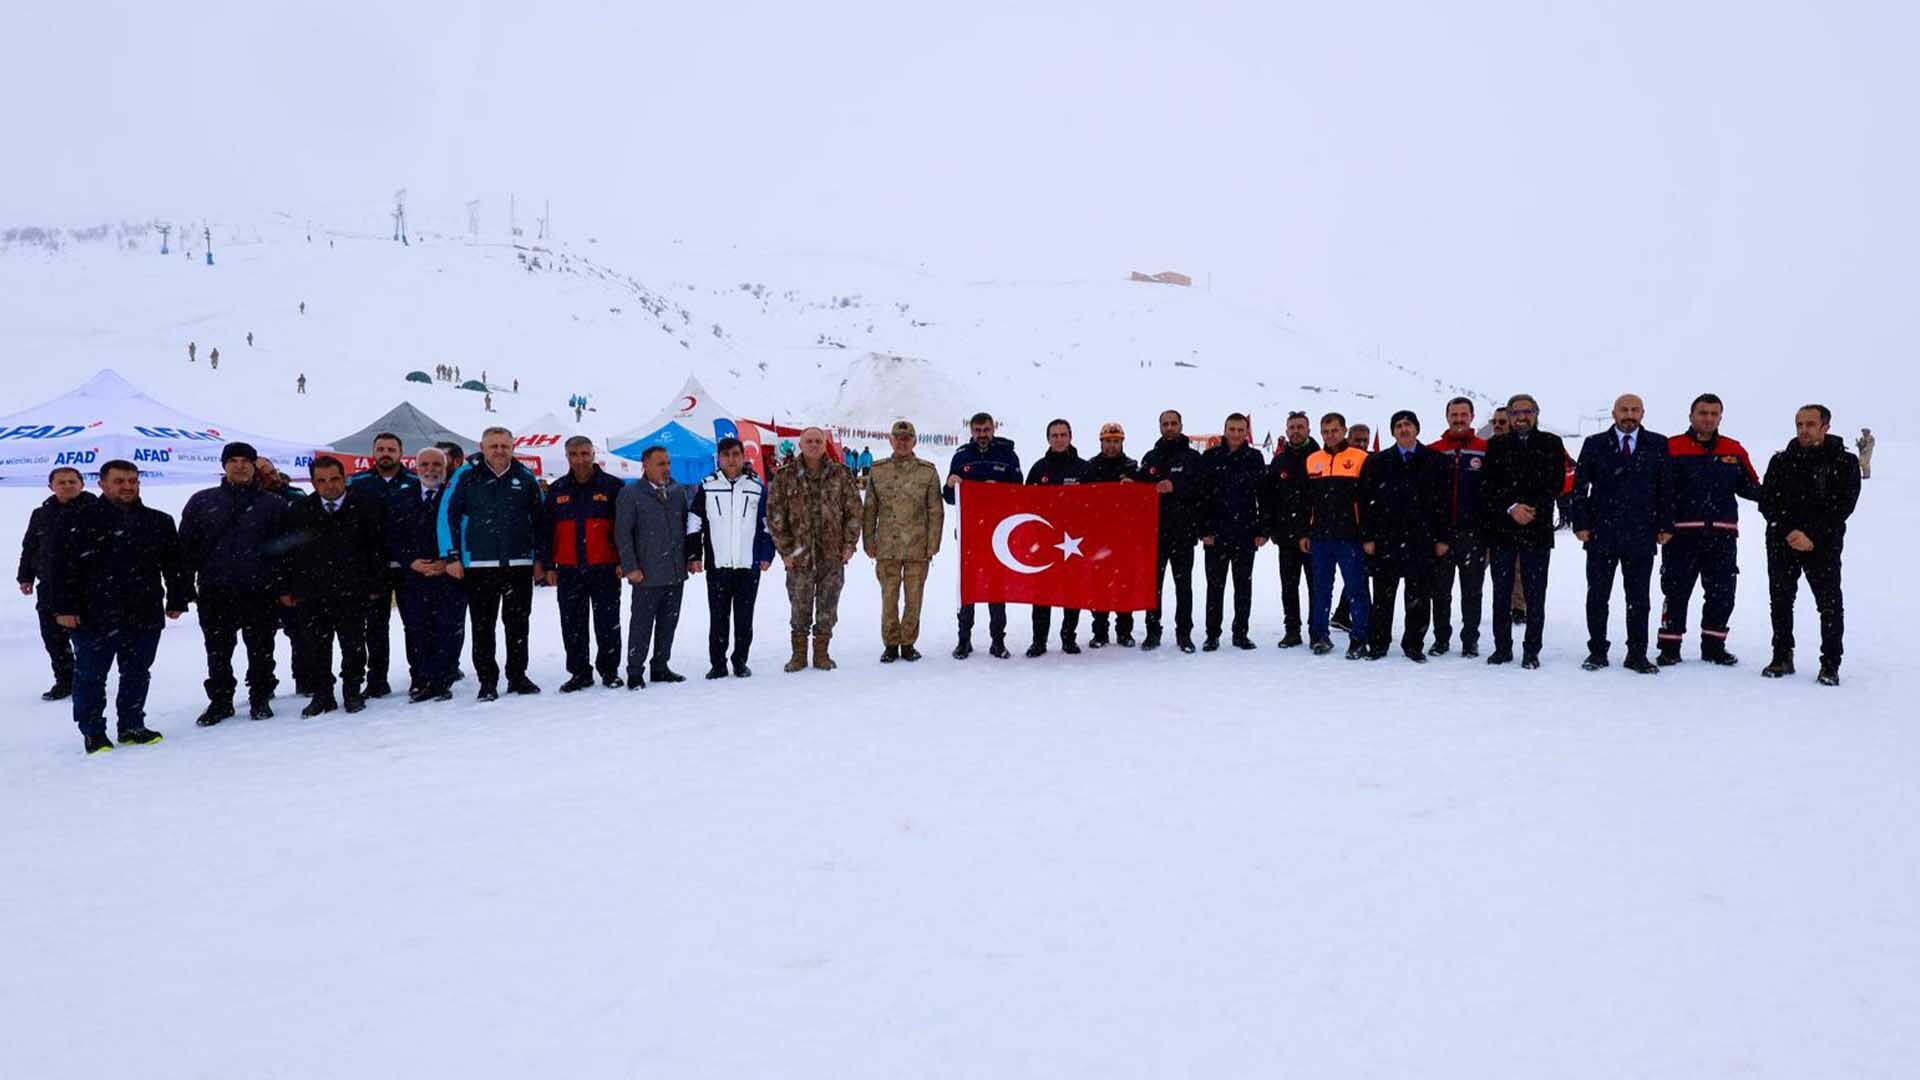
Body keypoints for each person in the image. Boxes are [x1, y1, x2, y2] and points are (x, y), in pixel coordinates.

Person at [46, 460, 191, 754]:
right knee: (90, 676)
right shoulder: (77, 519)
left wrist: (178, 598)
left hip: (143, 612)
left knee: (137, 672)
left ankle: (131, 725)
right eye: (119, 481)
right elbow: (58, 568)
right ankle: (93, 731)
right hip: (92, 615)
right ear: (101, 484)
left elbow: (175, 565)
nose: (127, 486)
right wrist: (63, 608)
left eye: (132, 481)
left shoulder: (158, 521)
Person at [178, 442, 291, 724]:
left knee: (262, 647)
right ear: (224, 465)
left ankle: (260, 696)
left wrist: (285, 586)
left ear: (254, 465)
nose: (239, 466)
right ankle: (221, 700)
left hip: (259, 590)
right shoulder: (202, 501)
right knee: (217, 650)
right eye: (233, 460)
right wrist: (182, 589)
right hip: (216, 589)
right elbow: (186, 549)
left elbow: (285, 552)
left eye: (245, 460)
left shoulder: (273, 504)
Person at [439, 426, 548, 700]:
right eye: (494, 446)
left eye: (504, 446)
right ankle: (487, 681)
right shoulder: (466, 475)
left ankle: (517, 676)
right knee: (483, 625)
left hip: (518, 563)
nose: (499, 451)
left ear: (513, 447)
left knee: (518, 624)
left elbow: (541, 521)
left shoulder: (525, 477)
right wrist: (451, 555)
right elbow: (446, 515)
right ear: (482, 447)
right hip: (479, 564)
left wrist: (539, 558)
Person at [1569, 394, 1672, 673]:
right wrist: (1580, 523)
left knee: (1638, 599)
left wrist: (1665, 525)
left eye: (1634, 410)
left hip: (1641, 533)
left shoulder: (1658, 444)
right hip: (1601, 534)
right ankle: (1597, 651)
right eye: (1624, 409)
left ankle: (1637, 654)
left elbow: (1666, 488)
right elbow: (1579, 488)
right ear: (1613, 413)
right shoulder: (1595, 444)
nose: (1629, 414)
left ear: (1643, 413)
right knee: (1598, 596)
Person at [1657, 394, 1761, 666]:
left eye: (1714, 414)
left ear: (1720, 418)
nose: (1708, 418)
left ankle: (1714, 646)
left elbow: (1751, 487)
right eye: (1703, 413)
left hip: (1722, 536)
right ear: (1691, 415)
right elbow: (1657, 490)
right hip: (1680, 535)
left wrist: (1779, 495)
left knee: (1722, 592)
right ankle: (1669, 647)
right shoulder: (1671, 447)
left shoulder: (1733, 449)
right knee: (1676, 591)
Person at [1760, 404, 1861, 685]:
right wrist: (1789, 530)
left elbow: (1843, 505)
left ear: (1825, 427)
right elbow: (1768, 501)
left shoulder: (1844, 462)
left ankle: (1830, 664)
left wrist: (1812, 536)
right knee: (1781, 601)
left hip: (1824, 545)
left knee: (1829, 605)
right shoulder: (1781, 461)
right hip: (1782, 543)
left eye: (1810, 424)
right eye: (1799, 424)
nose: (1803, 430)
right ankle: (1782, 656)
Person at [278, 458, 387, 716]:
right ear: (313, 482)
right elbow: (286, 554)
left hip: (353, 591)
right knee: (316, 647)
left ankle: (352, 691)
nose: (329, 486)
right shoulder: (299, 511)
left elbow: (378, 550)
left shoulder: (365, 507)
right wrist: (285, 587)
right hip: (312, 593)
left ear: (345, 477)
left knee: (353, 645)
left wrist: (376, 583)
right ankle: (323, 694)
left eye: (334, 479)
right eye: (322, 481)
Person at [1480, 393, 1568, 668]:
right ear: (1509, 415)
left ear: (1536, 414)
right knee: (1501, 593)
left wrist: (1530, 508)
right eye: (1516, 412)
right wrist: (1511, 507)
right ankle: (1502, 648)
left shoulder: (1552, 444)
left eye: (1527, 412)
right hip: (1503, 531)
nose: (1521, 417)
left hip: (1537, 529)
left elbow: (1556, 482)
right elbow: (1489, 485)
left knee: (1534, 594)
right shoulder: (1495, 446)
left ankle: (1532, 650)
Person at [767, 427, 862, 672]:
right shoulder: (785, 476)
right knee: (799, 605)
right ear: (800, 444)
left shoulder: (841, 474)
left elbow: (854, 511)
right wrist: (786, 551)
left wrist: (849, 544)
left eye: (818, 441)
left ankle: (822, 652)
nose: (813, 445)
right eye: (809, 441)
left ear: (824, 444)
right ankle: (798, 655)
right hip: (799, 556)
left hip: (832, 554)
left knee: (828, 606)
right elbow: (775, 516)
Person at [1360, 410, 1448, 662]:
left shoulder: (1434, 460)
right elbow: (1366, 502)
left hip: (1422, 540)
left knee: (1419, 598)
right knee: (1382, 598)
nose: (1403, 429)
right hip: (1386, 539)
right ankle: (1378, 643)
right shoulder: (1378, 461)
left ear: (1417, 429)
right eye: (1398, 425)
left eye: (1408, 425)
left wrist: (1442, 538)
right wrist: (1367, 537)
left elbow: (1443, 503)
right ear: (1393, 431)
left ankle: (1413, 644)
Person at [614, 446, 700, 687]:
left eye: (668, 463)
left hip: (674, 571)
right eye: (661, 463)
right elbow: (623, 534)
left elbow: (687, 527)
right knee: (641, 624)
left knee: (668, 623)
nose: (666, 468)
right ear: (646, 465)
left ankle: (660, 666)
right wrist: (630, 567)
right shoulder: (631, 494)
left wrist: (690, 557)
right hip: (646, 574)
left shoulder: (677, 491)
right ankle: (634, 671)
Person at [545, 436, 626, 691]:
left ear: (593, 454)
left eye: (584, 453)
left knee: (607, 622)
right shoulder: (557, 489)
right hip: (569, 569)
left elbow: (624, 529)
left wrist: (624, 560)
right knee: (572, 623)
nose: (580, 459)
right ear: (567, 457)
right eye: (574, 454)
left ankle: (609, 670)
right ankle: (579, 672)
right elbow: (546, 531)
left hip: (605, 567)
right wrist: (548, 565)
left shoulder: (613, 487)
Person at [862, 420, 944, 663]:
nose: (902, 442)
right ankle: (890, 642)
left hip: (918, 547)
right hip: (887, 546)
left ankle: (908, 642)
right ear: (891, 440)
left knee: (914, 597)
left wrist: (933, 543)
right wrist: (868, 540)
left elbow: (935, 510)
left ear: (914, 441)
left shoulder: (927, 471)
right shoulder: (878, 471)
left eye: (907, 438)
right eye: (898, 438)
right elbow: (870, 510)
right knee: (889, 597)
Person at [693, 437, 774, 678]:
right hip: (718, 566)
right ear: (719, 458)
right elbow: (694, 522)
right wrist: (694, 554)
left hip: (748, 565)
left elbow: (767, 524)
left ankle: (740, 661)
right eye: (726, 455)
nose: (731, 459)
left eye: (736, 454)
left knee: (744, 618)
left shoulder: (756, 487)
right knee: (718, 617)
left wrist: (766, 554)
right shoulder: (707, 486)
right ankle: (717, 664)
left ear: (743, 456)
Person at [347, 433, 421, 698]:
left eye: (391, 449)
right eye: (381, 449)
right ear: (373, 453)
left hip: (409, 565)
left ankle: (419, 676)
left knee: (414, 623)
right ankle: (377, 679)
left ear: (401, 453)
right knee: (375, 626)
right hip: (373, 566)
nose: (386, 453)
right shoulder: (357, 482)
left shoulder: (415, 481)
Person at [945, 412, 1022, 658]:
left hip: (1000, 535)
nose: (982, 435)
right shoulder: (961, 456)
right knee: (968, 586)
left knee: (996, 589)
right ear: (971, 431)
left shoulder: (1008, 456)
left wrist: (998, 490)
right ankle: (963, 639)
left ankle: (998, 641)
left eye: (986, 430)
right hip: (970, 534)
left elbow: (1020, 494)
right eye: (977, 430)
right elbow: (948, 498)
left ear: (993, 429)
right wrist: (950, 483)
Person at [17, 466, 97, 700]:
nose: (67, 486)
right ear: (51, 486)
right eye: (61, 482)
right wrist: (25, 576)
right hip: (49, 587)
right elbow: (30, 547)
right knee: (53, 637)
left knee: (87, 638)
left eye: (72, 481)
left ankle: (89, 679)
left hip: (87, 588)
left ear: (82, 484)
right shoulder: (41, 514)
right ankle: (65, 680)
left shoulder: (96, 511)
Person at [1300, 413, 1371, 658]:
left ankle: (1360, 638)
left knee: (1356, 589)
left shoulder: (1360, 458)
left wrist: (1367, 534)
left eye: (1334, 430)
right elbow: (1307, 502)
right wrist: (1306, 532)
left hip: (1350, 537)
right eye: (1325, 431)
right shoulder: (1313, 460)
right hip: (1320, 537)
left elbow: (1368, 501)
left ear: (1344, 431)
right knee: (1321, 589)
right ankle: (1319, 636)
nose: (1330, 435)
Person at [396, 448, 464, 702]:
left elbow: (463, 531)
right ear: (415, 467)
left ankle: (443, 679)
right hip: (414, 577)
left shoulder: (455, 497)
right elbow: (392, 536)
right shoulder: (401, 498)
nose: (431, 469)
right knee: (416, 629)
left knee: (449, 627)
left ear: (446, 467)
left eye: (437, 464)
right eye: (424, 464)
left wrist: (447, 559)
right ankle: (421, 678)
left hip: (449, 574)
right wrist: (411, 561)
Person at [1197, 412, 1267, 651]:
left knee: (1243, 587)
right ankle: (1212, 634)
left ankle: (1240, 633)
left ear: (1246, 432)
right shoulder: (1210, 457)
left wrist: (1262, 529)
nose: (1236, 434)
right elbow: (1202, 497)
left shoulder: (1254, 458)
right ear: (1225, 430)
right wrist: (1204, 530)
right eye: (1232, 429)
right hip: (1216, 534)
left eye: (1240, 430)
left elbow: (1263, 496)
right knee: (1215, 587)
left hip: (1245, 533)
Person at [1428, 397, 1489, 657]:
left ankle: (1470, 640)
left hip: (1473, 534)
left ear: (1472, 417)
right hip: (1441, 534)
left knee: (1472, 590)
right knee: (1440, 591)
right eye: (1454, 415)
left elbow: (1492, 492)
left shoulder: (1485, 449)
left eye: (1464, 414)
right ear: (1447, 417)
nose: (1459, 419)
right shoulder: (1433, 450)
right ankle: (1441, 638)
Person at [1139, 409, 1202, 652]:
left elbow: (1200, 489)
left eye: (1173, 423)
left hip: (1184, 533)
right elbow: (1140, 487)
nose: (1169, 427)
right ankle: (1153, 632)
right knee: (1153, 586)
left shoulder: (1192, 458)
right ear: (1159, 427)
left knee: (1183, 586)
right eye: (1165, 424)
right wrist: (1129, 485)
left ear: (1181, 425)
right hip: (1155, 535)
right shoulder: (1151, 457)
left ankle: (1184, 633)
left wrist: (1175, 486)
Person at [1025, 419, 1089, 657]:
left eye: (1063, 434)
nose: (1059, 439)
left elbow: (1098, 504)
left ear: (1070, 437)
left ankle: (1068, 638)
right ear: (1048, 438)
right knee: (1041, 593)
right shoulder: (1038, 469)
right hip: (1044, 542)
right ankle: (1039, 641)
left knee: (1072, 591)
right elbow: (1024, 504)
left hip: (1074, 543)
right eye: (1054, 435)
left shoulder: (1084, 468)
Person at [1082, 422, 1141, 647]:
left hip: (1125, 537)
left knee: (1124, 584)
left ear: (1122, 442)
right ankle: (1100, 632)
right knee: (1099, 585)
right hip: (1098, 537)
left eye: (1116, 441)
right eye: (1108, 441)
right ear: (1101, 442)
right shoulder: (1090, 467)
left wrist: (1135, 486)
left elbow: (1143, 497)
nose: (1112, 445)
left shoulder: (1133, 466)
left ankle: (1124, 631)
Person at [1264, 411, 1319, 647]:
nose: (1296, 431)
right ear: (1286, 431)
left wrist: (1312, 530)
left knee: (1317, 587)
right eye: (1292, 428)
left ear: (1308, 429)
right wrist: (1273, 530)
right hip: (1286, 538)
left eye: (1300, 427)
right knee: (1289, 586)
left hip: (1315, 537)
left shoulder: (1319, 457)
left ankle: (1317, 631)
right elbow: (1270, 499)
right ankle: (1292, 630)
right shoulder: (1279, 461)